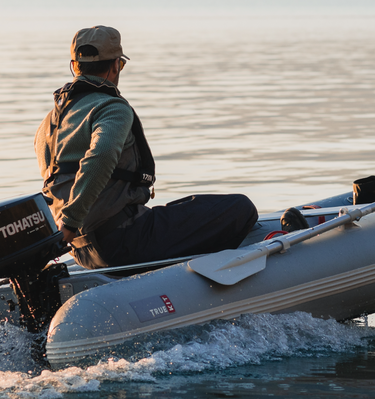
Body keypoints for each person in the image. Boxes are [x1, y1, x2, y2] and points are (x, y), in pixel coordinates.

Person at [34, 25, 258, 269]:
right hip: (124, 240)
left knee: (184, 207)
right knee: (240, 207)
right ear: (115, 66)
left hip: (83, 251)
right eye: (120, 65)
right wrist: (70, 222)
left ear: (75, 66)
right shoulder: (111, 109)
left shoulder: (49, 124)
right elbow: (102, 155)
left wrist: (67, 229)